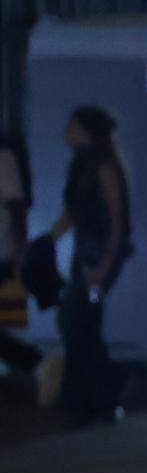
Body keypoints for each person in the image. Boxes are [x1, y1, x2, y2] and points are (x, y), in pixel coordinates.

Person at [45, 105, 131, 423]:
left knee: (79, 320)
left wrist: (104, 269)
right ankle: (93, 391)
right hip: (88, 255)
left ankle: (100, 388)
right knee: (78, 321)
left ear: (85, 130)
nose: (66, 130)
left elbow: (116, 222)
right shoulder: (82, 166)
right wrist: (47, 242)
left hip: (99, 257)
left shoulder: (103, 167)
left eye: (71, 125)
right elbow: (73, 213)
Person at [0, 129, 40, 399]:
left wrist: (19, 248)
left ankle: (37, 363)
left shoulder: (3, 158)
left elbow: (17, 206)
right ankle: (38, 364)